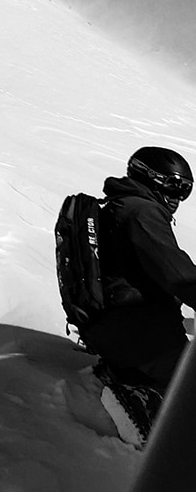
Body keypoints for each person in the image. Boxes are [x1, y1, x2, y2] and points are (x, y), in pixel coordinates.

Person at [83, 145, 196, 436]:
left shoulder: (122, 205)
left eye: (186, 189)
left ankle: (131, 380)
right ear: (149, 178)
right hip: (139, 331)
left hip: (117, 328)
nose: (178, 197)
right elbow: (180, 276)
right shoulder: (141, 212)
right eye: (173, 185)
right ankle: (143, 408)